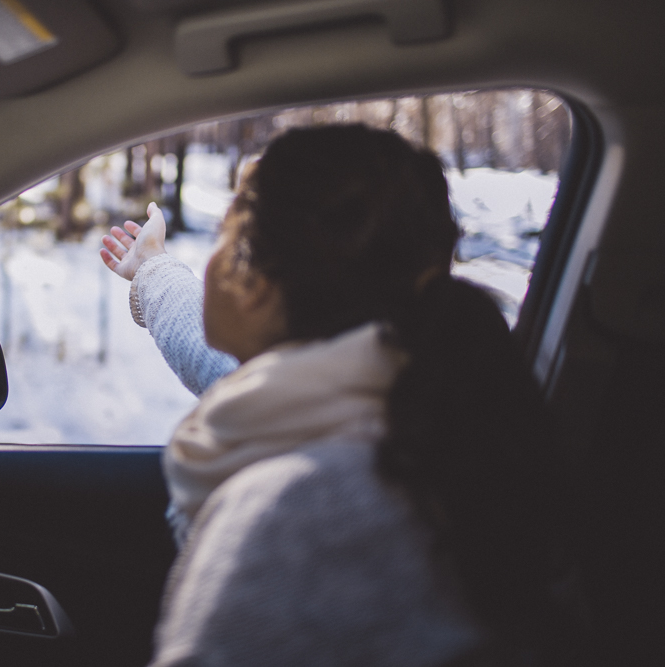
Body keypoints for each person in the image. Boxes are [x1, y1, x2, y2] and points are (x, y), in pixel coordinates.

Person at [99, 125, 584, 666]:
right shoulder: (412, 406)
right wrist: (152, 271)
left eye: (222, 236)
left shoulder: (294, 512)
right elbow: (219, 364)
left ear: (253, 281)